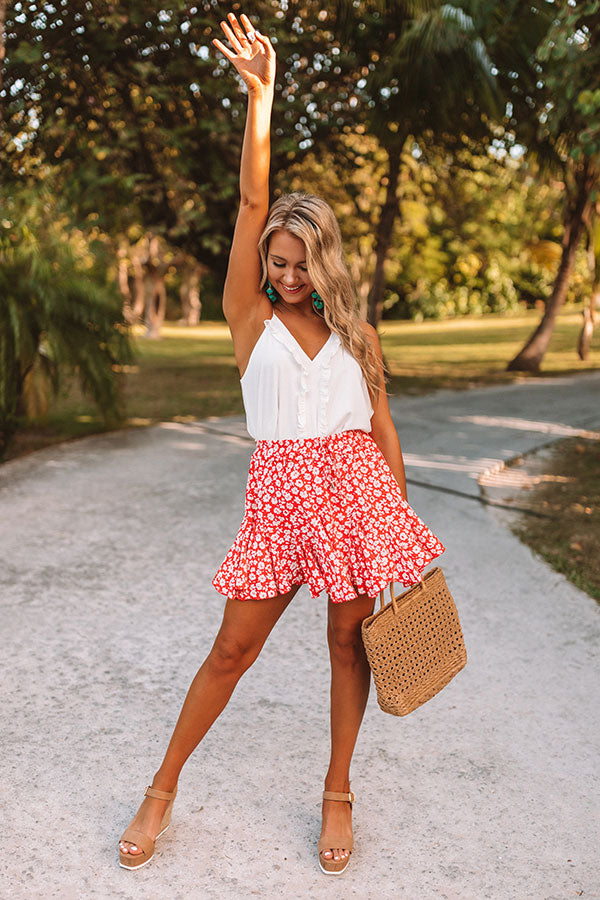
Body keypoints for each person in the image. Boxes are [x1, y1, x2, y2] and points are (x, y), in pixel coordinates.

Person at [118, 10, 445, 876]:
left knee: (349, 645)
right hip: (278, 496)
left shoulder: (359, 336)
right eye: (279, 260)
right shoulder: (247, 319)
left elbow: (382, 429)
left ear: (326, 260)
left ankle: (338, 790)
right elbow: (253, 199)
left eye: (304, 262)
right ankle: (162, 786)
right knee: (233, 648)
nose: (289, 274)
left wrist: (399, 530)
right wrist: (262, 97)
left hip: (356, 497)